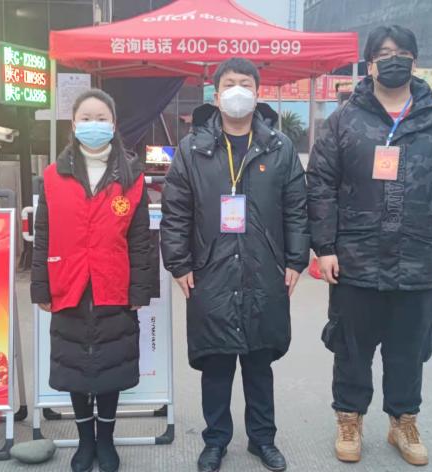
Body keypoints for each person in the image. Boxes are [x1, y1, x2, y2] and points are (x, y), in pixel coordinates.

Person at [307, 25, 432, 466]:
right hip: (356, 259)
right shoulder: (344, 120)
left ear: (415, 62)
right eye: (383, 54)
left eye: (401, 53)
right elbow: (321, 184)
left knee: (409, 348)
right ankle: (349, 418)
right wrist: (324, 246)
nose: (393, 59)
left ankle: (403, 420)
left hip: (420, 257)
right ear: (370, 65)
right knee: (352, 346)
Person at [161, 58, 309, 472]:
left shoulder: (279, 148)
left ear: (258, 94)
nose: (237, 91)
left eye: (245, 83)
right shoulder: (192, 149)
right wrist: (179, 264)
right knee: (217, 363)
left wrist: (295, 259)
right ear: (216, 94)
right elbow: (176, 211)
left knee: (259, 363)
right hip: (210, 271)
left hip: (264, 270)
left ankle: (263, 439)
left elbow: (297, 208)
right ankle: (215, 441)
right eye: (229, 84)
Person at [30, 89, 155, 472]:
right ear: (74, 124)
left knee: (110, 367)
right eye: (86, 118)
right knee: (74, 368)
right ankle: (85, 441)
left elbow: (141, 239)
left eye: (102, 118)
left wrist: (140, 289)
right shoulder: (53, 177)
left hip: (113, 283)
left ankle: (106, 440)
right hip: (68, 283)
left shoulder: (131, 177)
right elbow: (43, 234)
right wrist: (40, 286)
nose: (94, 125)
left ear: (114, 125)